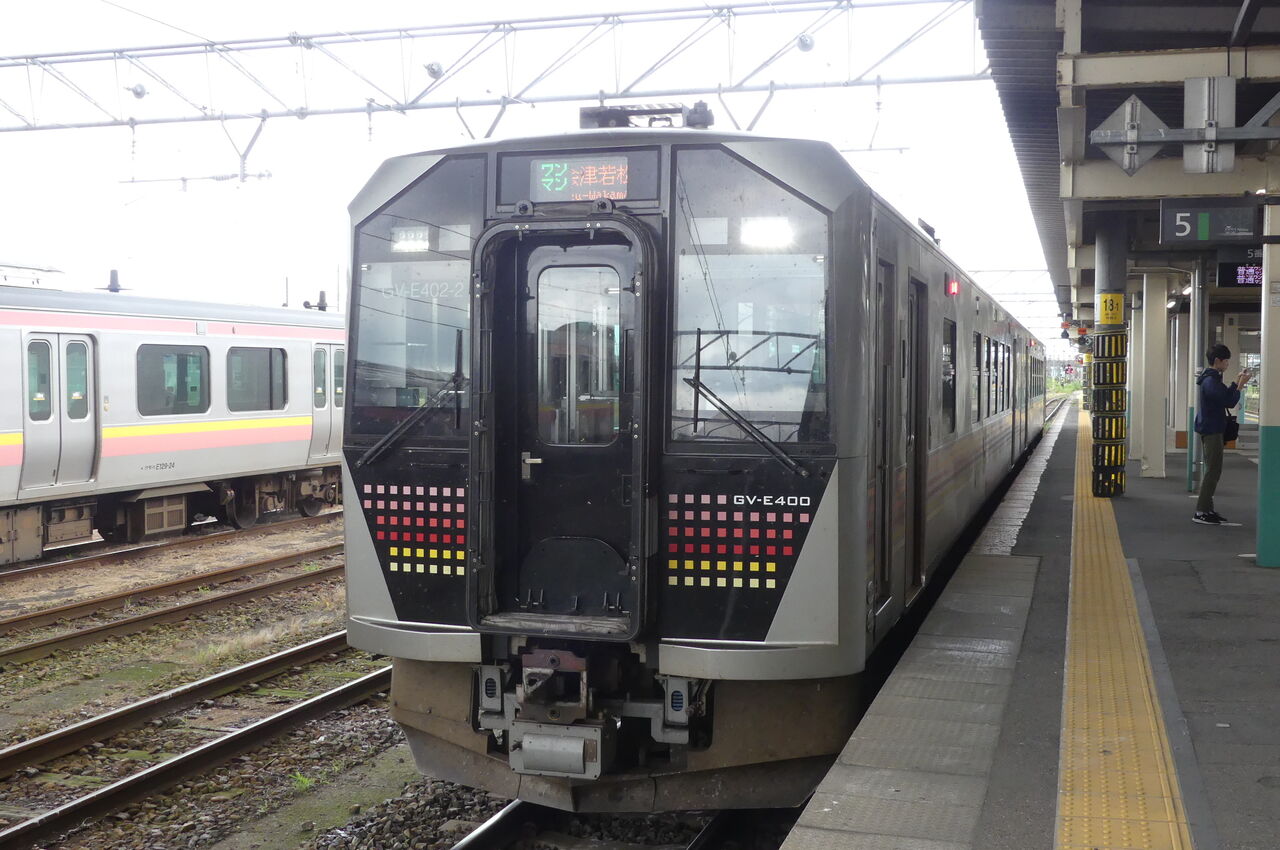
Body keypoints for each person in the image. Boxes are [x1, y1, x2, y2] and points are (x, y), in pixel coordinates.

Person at [1193, 343, 1252, 525]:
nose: (1227, 364)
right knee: (1213, 470)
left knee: (1212, 470)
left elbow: (1224, 395)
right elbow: (1228, 401)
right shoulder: (1211, 381)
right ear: (1218, 361)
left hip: (1211, 427)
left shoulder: (1211, 379)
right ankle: (1201, 511)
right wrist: (1240, 386)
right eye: (1226, 361)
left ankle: (1207, 509)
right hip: (1212, 429)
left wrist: (1236, 382)